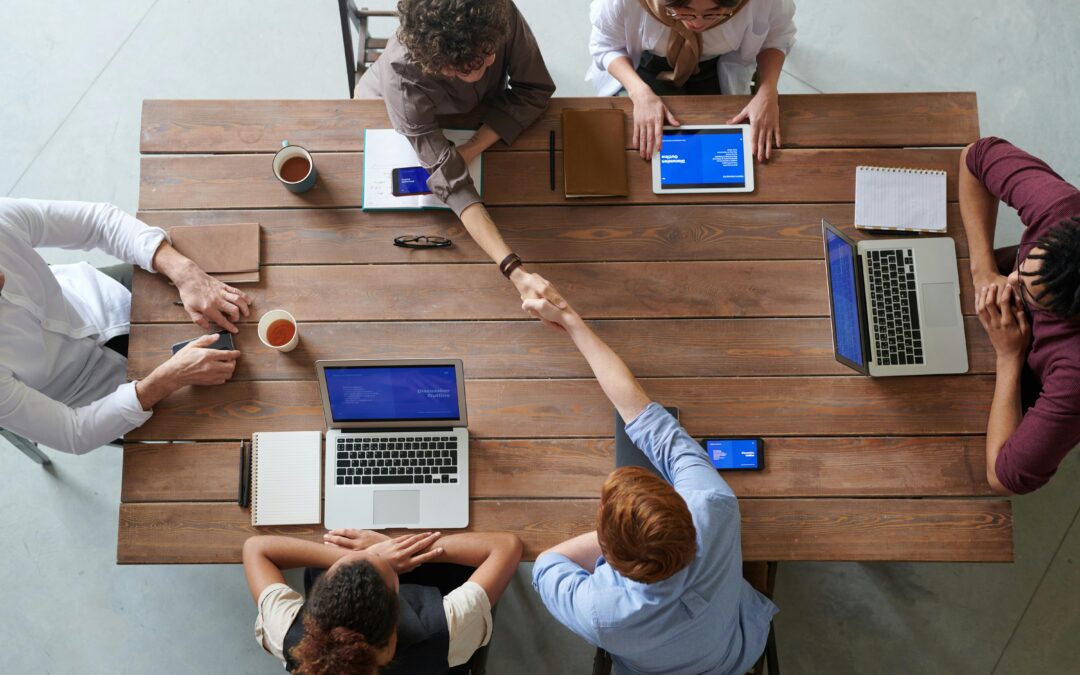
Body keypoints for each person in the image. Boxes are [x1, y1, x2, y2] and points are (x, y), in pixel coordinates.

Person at [524, 289, 777, 674]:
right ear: (682, 509)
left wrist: (569, 320)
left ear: (606, 554)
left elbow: (546, 565)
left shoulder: (599, 611)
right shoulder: (713, 505)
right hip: (735, 651)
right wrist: (571, 320)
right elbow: (648, 420)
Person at [357, 0, 564, 312]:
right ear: (442, 67)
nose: (494, 58)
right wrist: (513, 270)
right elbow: (451, 181)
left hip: (475, 115)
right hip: (390, 110)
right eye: (480, 63)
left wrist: (471, 148)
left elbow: (534, 89)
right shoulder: (403, 78)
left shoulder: (494, 13)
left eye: (491, 49)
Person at [0, 198, 249, 455]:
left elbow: (98, 222)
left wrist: (185, 273)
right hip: (97, 395)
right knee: (219, 426)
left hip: (104, 294)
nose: (3, 279)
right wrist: (169, 379)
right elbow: (72, 433)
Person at [958, 137, 1080, 495]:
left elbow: (1004, 476)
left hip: (1019, 366)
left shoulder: (1074, 371)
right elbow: (975, 155)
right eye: (1024, 267)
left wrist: (1009, 356)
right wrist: (983, 271)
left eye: (1027, 292)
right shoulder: (1063, 208)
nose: (1011, 279)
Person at [243, 529, 522, 674]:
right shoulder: (447, 629)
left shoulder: (288, 636)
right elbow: (507, 546)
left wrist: (374, 556)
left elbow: (256, 548)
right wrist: (403, 549)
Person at [588, 0, 796, 161]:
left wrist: (768, 91)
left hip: (715, 64)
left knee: (722, 141)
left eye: (713, 13)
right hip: (650, 64)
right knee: (654, 143)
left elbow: (775, 39)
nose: (697, 23)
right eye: (684, 12)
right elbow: (606, 45)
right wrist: (639, 92)